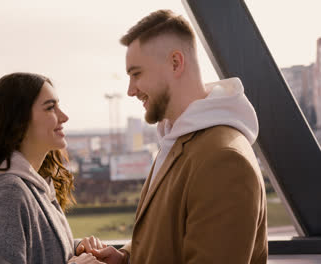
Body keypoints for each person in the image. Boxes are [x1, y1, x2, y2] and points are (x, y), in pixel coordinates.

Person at [93, 10, 268, 264]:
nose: (130, 90)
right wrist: (125, 257)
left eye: (137, 73)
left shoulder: (223, 160)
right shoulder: (180, 138)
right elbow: (168, 231)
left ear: (176, 63)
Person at [0, 72, 106, 264]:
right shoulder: (9, 193)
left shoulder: (35, 187)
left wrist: (75, 249)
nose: (64, 117)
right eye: (51, 108)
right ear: (19, 120)